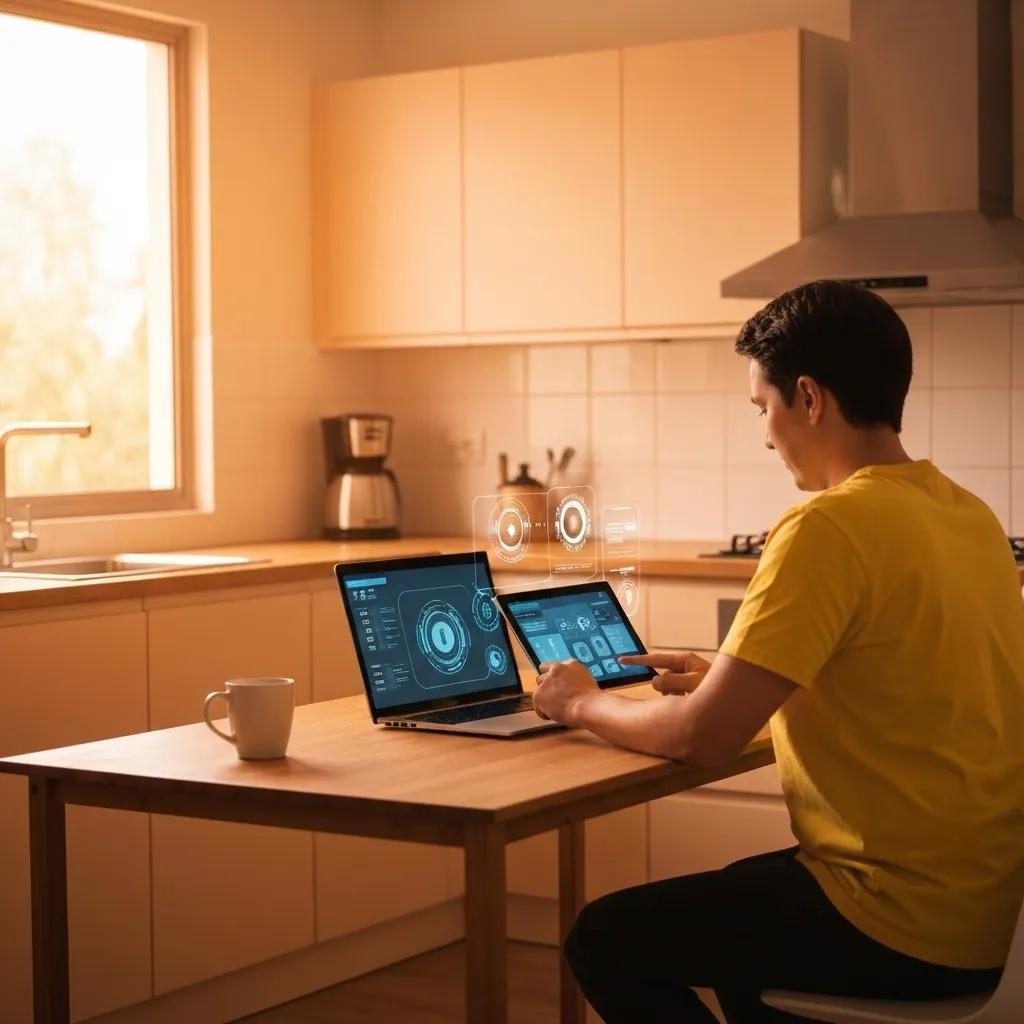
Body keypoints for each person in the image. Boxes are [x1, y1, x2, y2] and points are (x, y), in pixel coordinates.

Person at [532, 280, 1024, 1023]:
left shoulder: (825, 527)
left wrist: (578, 702)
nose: (765, 435)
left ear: (809, 398)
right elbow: (914, 684)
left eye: (763, 407)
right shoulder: (969, 516)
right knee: (744, 922)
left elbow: (702, 738)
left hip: (896, 915)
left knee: (603, 938)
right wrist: (735, 680)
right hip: (989, 909)